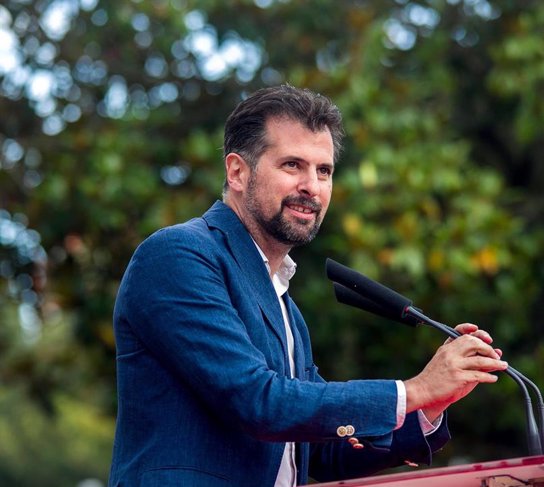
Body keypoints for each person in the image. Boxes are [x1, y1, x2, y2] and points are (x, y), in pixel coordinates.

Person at [108, 85, 508, 487]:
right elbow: (257, 401)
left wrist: (429, 406)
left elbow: (320, 448)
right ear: (237, 172)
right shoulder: (178, 255)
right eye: (292, 165)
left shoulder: (287, 308)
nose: (311, 187)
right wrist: (412, 391)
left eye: (324, 171)